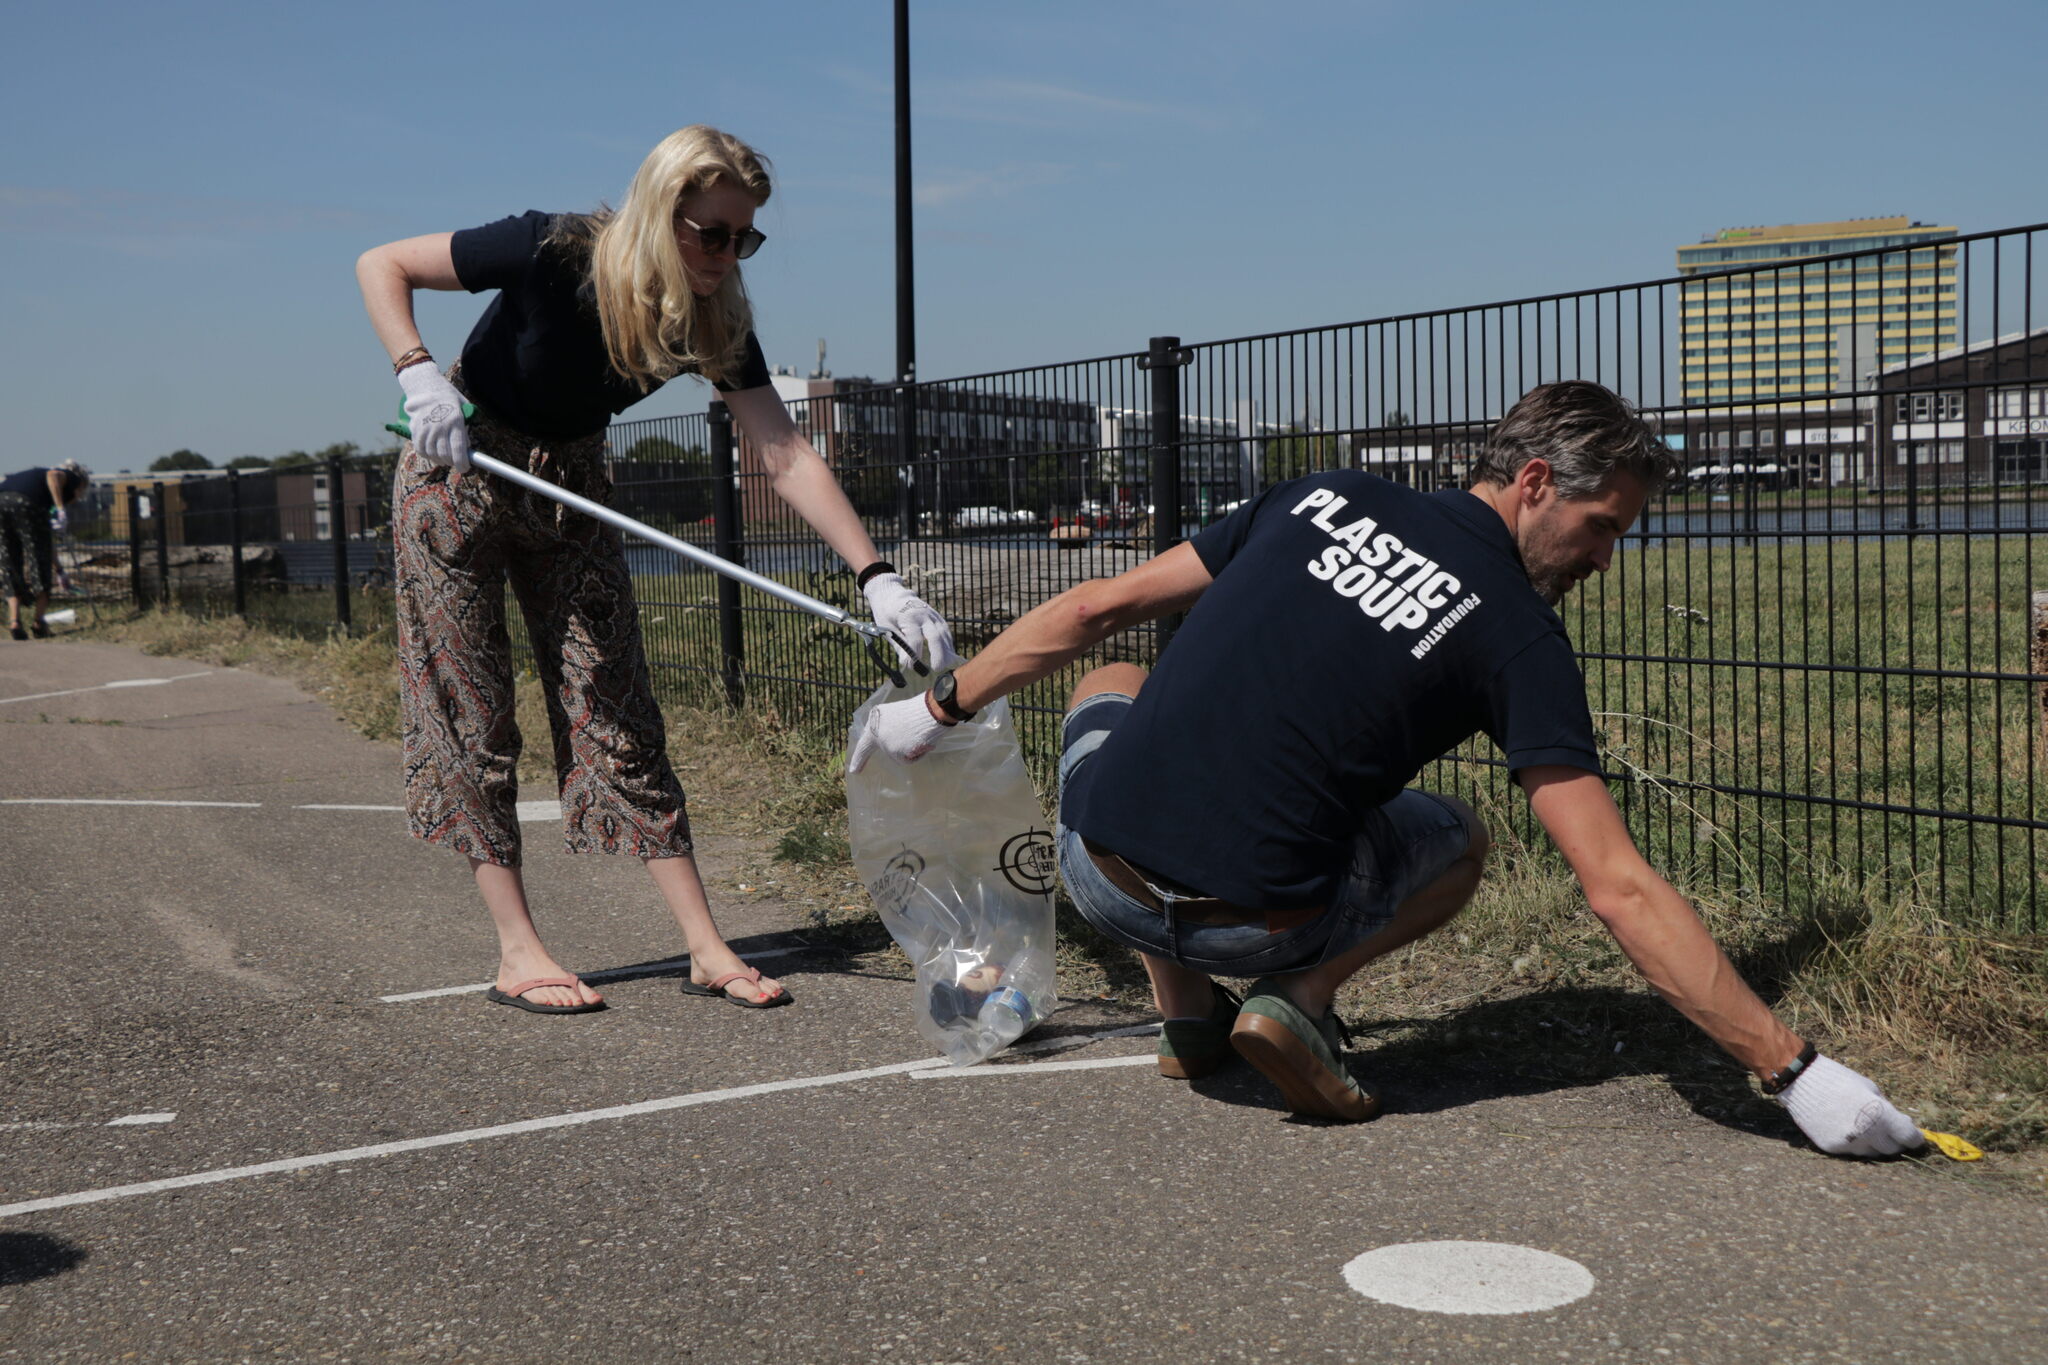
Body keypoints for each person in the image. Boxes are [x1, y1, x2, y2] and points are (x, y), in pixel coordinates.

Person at [851, 380, 1922, 1158]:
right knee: (1455, 837)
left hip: (1099, 880)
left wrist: (937, 708)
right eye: (1601, 529)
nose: (1603, 561)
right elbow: (1614, 885)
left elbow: (1091, 611)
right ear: (1536, 481)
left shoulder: (1321, 495)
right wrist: (1795, 1073)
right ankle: (1298, 999)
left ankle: (1184, 1013)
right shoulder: (1515, 638)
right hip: (1255, 924)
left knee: (1115, 677)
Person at [356, 125, 955, 1015]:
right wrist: (418, 374)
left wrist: (877, 575)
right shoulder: (551, 247)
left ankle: (708, 946)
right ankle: (518, 950)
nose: (727, 254)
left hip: (571, 485)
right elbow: (382, 263)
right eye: (712, 232)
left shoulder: (715, 316)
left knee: (618, 706)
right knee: (469, 707)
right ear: (659, 208)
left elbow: (782, 450)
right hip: (461, 470)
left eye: (743, 237)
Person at [0, 461, 89, 640]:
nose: (76, 499)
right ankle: (39, 622)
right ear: (80, 486)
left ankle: (15, 621)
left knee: (10, 563)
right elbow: (53, 476)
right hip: (26, 504)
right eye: (78, 495)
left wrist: (60, 569)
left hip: (1, 502)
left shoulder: (38, 487)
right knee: (39, 564)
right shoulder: (71, 478)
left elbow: (46, 543)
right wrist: (61, 509)